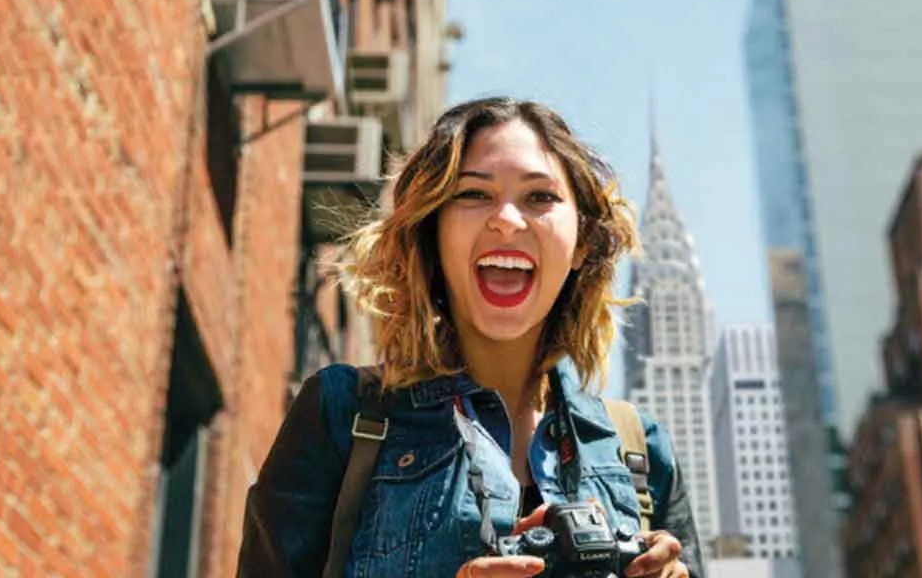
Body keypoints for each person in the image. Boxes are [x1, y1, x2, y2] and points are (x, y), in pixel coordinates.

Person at [237, 97, 704, 578]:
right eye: (473, 195)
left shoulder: (640, 451)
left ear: (582, 241)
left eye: (540, 197)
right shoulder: (341, 414)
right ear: (431, 232)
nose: (506, 218)